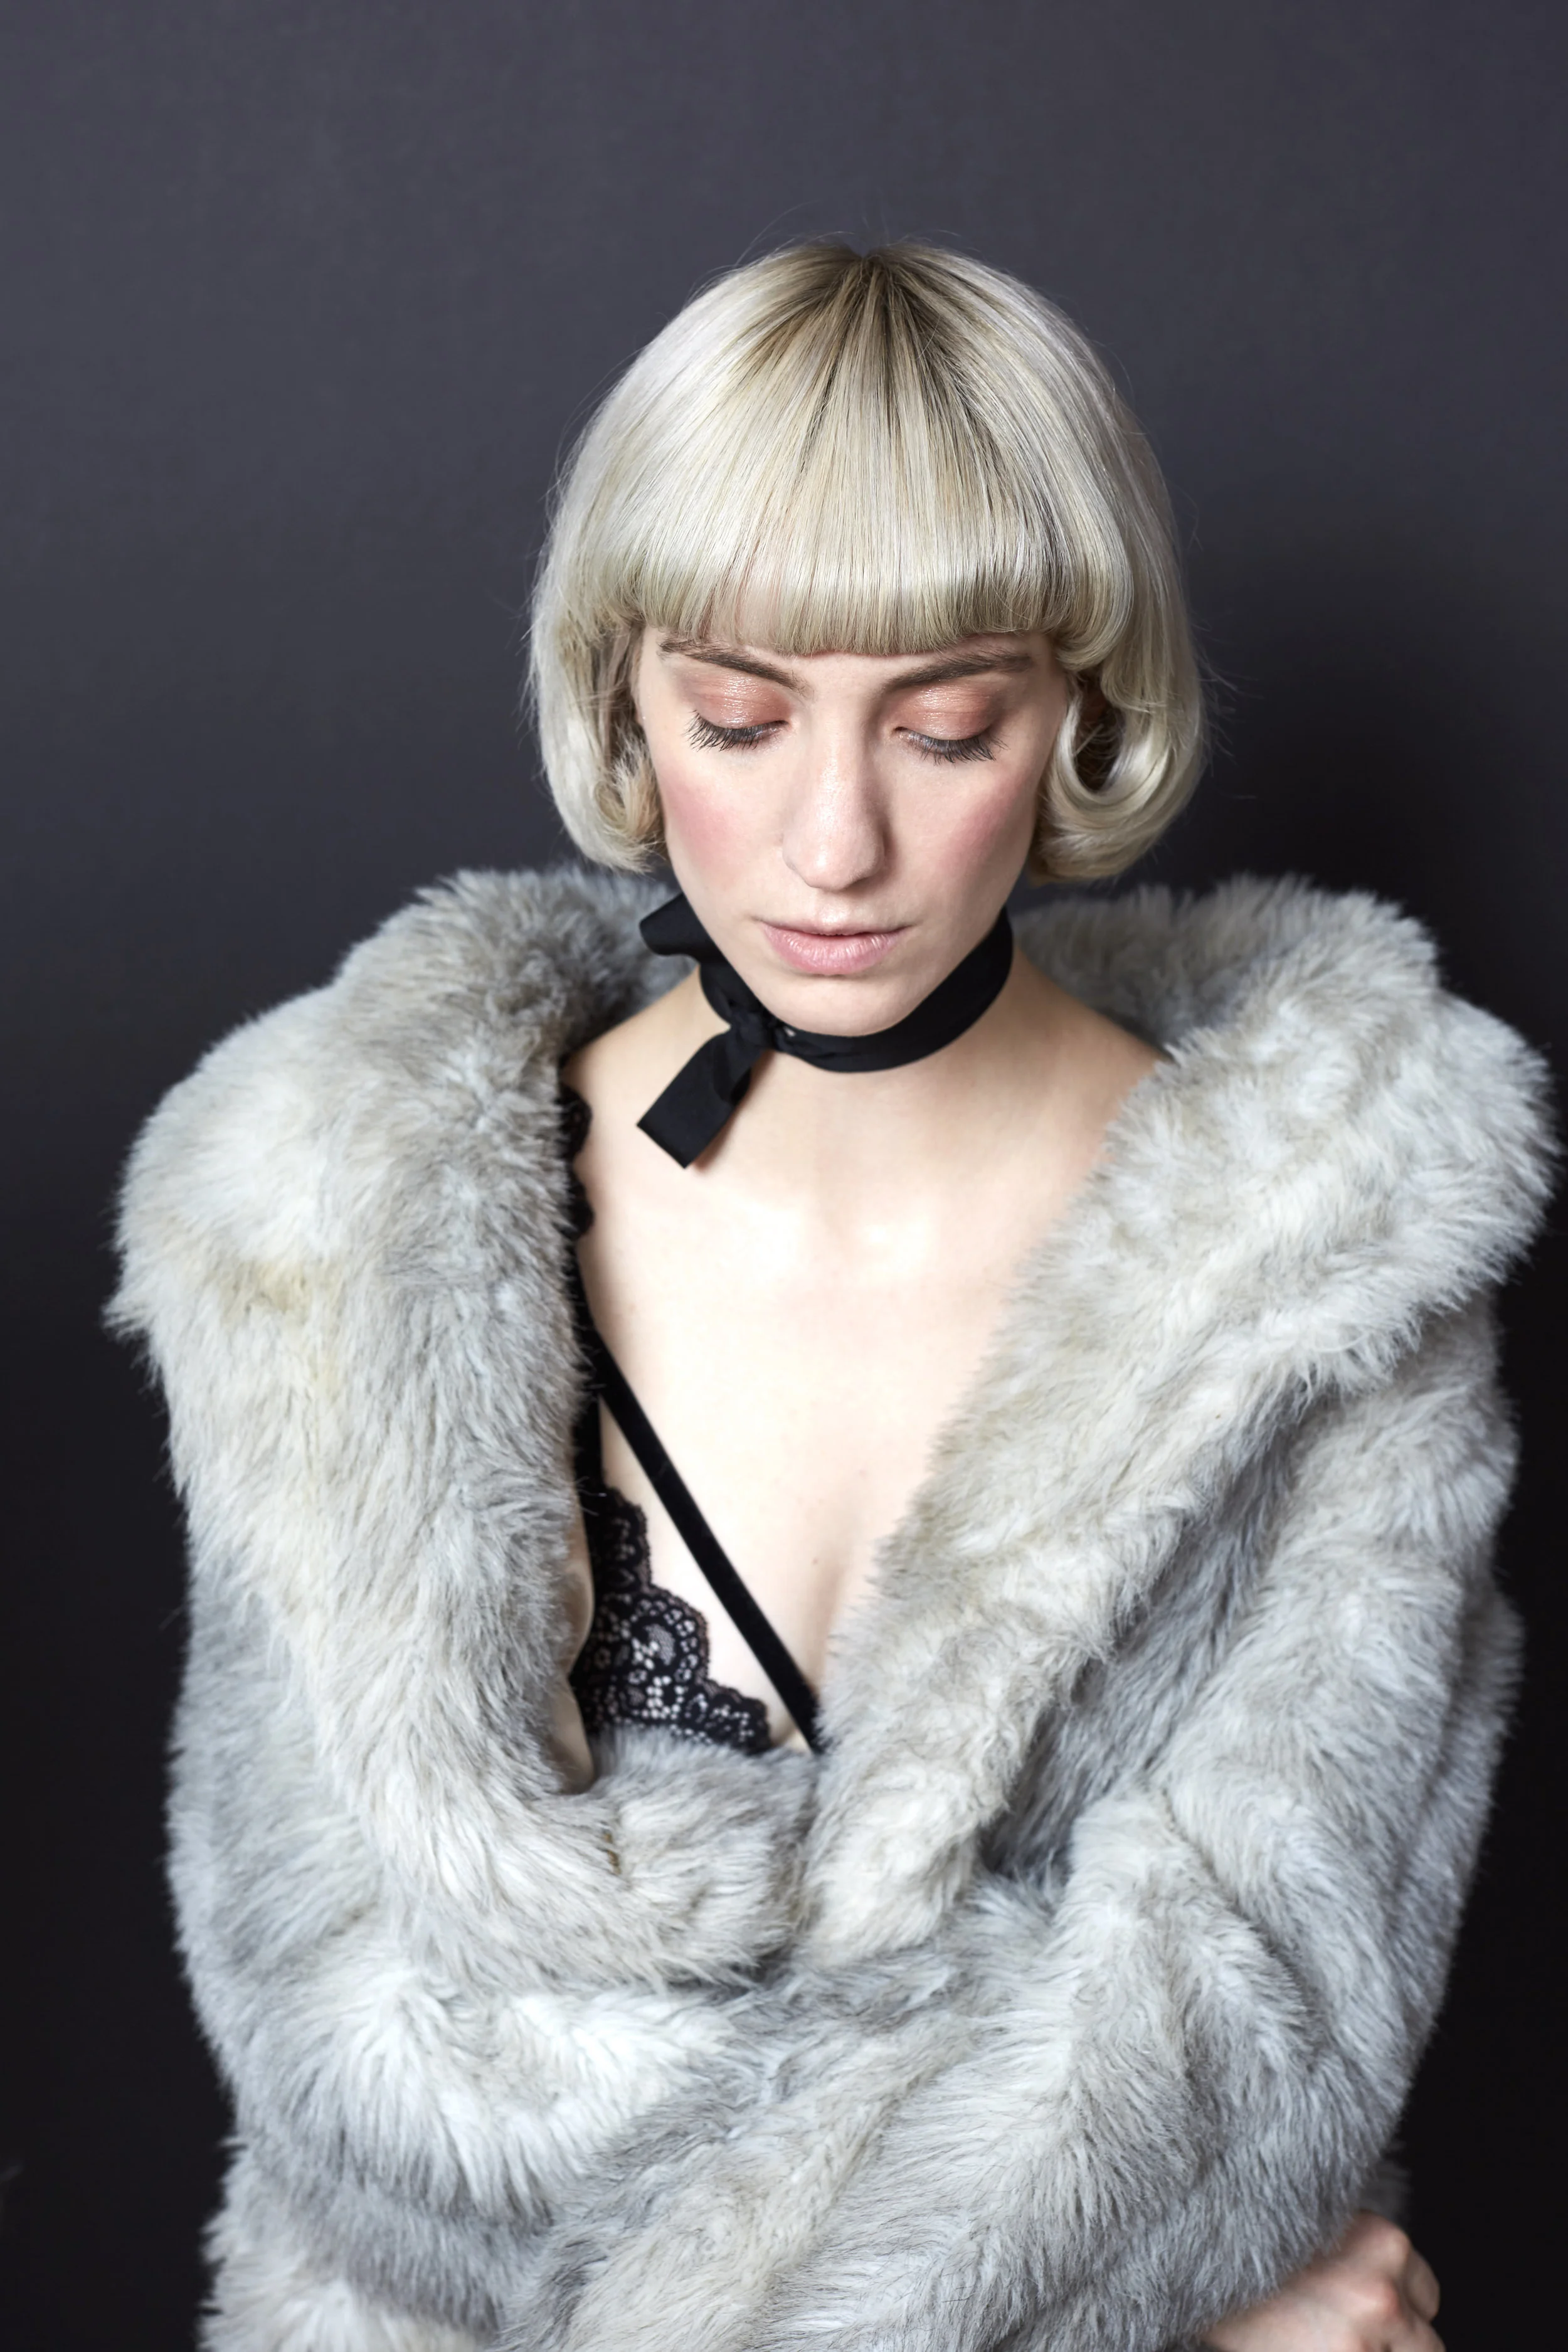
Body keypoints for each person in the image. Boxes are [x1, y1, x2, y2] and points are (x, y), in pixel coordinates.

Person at [112, 243, 1549, 2352]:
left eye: (945, 726)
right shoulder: (330, 1218)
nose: (834, 839)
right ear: (624, 701)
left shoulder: (1335, 1264)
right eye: (739, 717)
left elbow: (1266, 2013)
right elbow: (365, 2066)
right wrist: (1106, 2312)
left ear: (1079, 714)